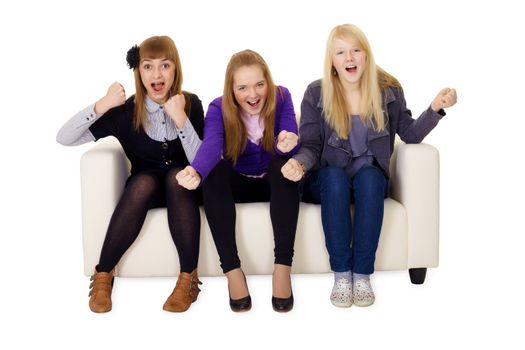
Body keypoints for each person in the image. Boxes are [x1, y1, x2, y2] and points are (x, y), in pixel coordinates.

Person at [281, 24, 457, 308]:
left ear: (366, 55)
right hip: (326, 180)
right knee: (336, 178)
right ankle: (341, 275)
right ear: (332, 61)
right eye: (340, 52)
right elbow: (312, 145)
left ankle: (362, 275)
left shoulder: (389, 91)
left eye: (355, 50)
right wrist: (299, 165)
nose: (349, 58)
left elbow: (409, 134)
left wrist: (435, 108)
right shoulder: (317, 92)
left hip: (367, 180)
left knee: (371, 178)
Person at [56, 36, 205, 313]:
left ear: (176, 70)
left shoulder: (192, 104)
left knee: (177, 177)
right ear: (139, 71)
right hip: (144, 190)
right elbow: (64, 138)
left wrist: (181, 119)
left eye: (165, 66)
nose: (157, 74)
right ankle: (103, 276)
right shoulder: (124, 113)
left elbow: (201, 161)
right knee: (143, 181)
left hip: (182, 189)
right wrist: (102, 104)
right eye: (148, 67)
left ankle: (187, 279)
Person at [176, 49, 300, 312]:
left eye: (259, 85)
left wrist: (288, 142)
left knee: (282, 166)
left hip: (272, 183)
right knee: (214, 172)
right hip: (239, 183)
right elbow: (212, 145)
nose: (252, 95)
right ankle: (232, 271)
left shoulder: (282, 97)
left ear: (268, 82)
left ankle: (282, 269)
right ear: (231, 90)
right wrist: (196, 170)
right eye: (243, 88)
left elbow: (290, 132)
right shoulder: (218, 108)